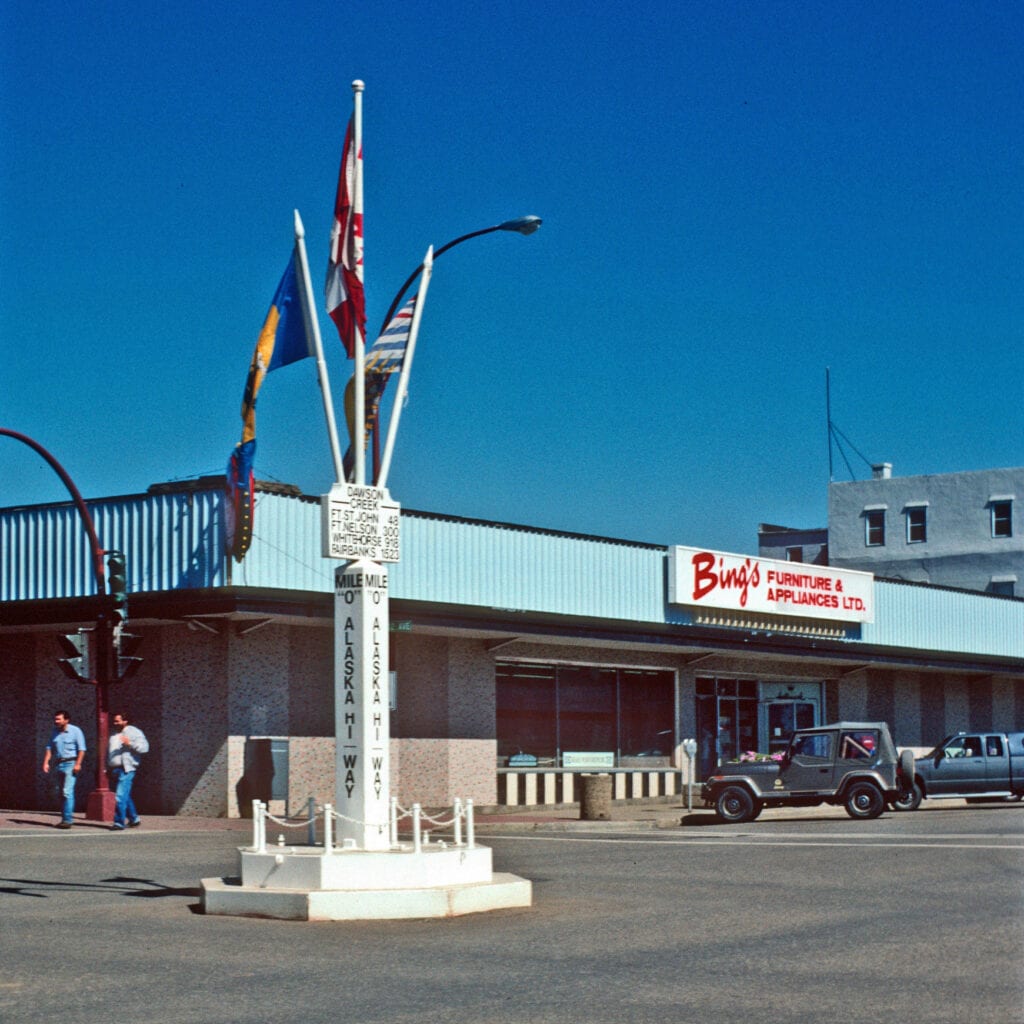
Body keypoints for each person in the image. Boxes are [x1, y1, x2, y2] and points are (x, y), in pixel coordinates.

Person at [41, 710, 86, 828]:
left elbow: (82, 749)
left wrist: (78, 764)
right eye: (55, 719)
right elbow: (49, 748)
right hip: (58, 764)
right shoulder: (54, 732)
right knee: (60, 793)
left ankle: (67, 820)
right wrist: (46, 762)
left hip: (71, 763)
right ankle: (64, 818)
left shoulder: (76, 731)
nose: (56, 721)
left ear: (66, 720)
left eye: (58, 719)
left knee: (67, 791)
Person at [107, 712, 149, 830]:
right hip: (115, 769)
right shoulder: (114, 734)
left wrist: (129, 743)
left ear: (125, 721)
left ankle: (119, 822)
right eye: (114, 721)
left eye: (117, 721)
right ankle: (134, 819)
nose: (114, 723)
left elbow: (144, 748)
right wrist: (108, 766)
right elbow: (110, 751)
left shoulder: (134, 732)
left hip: (126, 769)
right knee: (125, 795)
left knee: (120, 796)